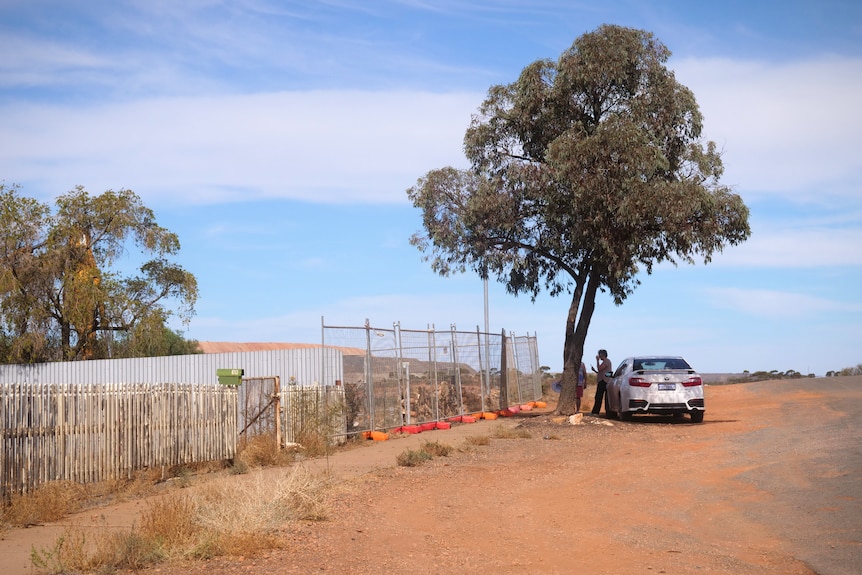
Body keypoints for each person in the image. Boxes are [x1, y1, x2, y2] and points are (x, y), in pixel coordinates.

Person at [591, 349, 612, 415]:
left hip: (603, 381)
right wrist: (595, 371)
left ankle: (595, 412)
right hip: (604, 380)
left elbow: (599, 368)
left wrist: (597, 361)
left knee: (599, 397)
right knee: (600, 397)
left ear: (602, 355)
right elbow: (601, 372)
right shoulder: (606, 361)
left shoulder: (606, 361)